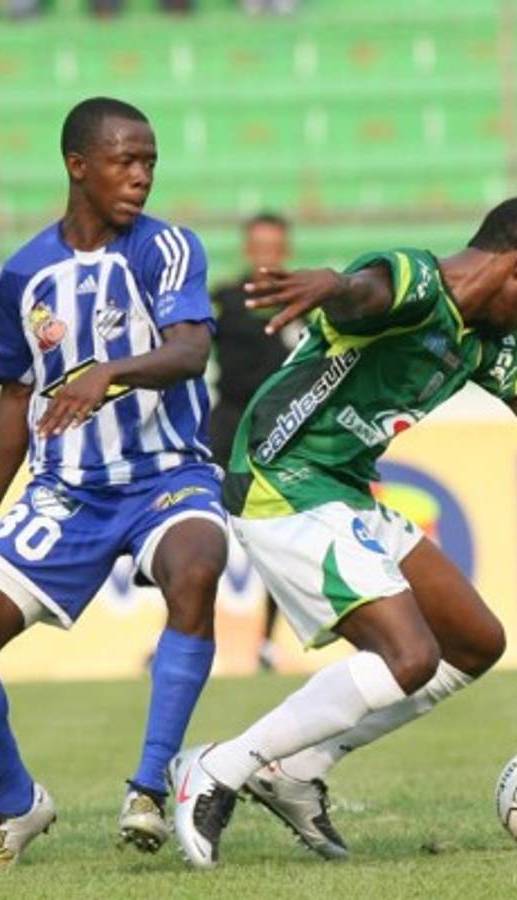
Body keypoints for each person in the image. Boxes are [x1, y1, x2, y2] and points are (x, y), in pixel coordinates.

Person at [166, 196, 517, 867]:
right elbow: (365, 295)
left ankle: (295, 769)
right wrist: (332, 286)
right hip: (282, 479)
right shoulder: (418, 283)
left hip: (342, 490)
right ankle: (216, 768)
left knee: (474, 641)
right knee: (408, 656)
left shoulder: (489, 343)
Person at [0, 97, 228, 869]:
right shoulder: (25, 273)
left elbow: (190, 351)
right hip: (68, 490)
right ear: (77, 166)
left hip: (166, 475)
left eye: (150, 162)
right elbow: (15, 399)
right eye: (126, 161)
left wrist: (108, 373)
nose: (141, 177)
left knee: (196, 562)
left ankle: (152, 786)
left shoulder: (167, 250)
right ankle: (16, 803)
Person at [210, 212, 294, 671]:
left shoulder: (303, 303)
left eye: (274, 246)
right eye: (259, 245)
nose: (266, 254)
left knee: (277, 540)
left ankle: (267, 642)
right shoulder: (223, 300)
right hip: (225, 426)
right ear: (248, 249)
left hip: (278, 432)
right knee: (197, 534)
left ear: (285, 250)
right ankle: (179, 637)